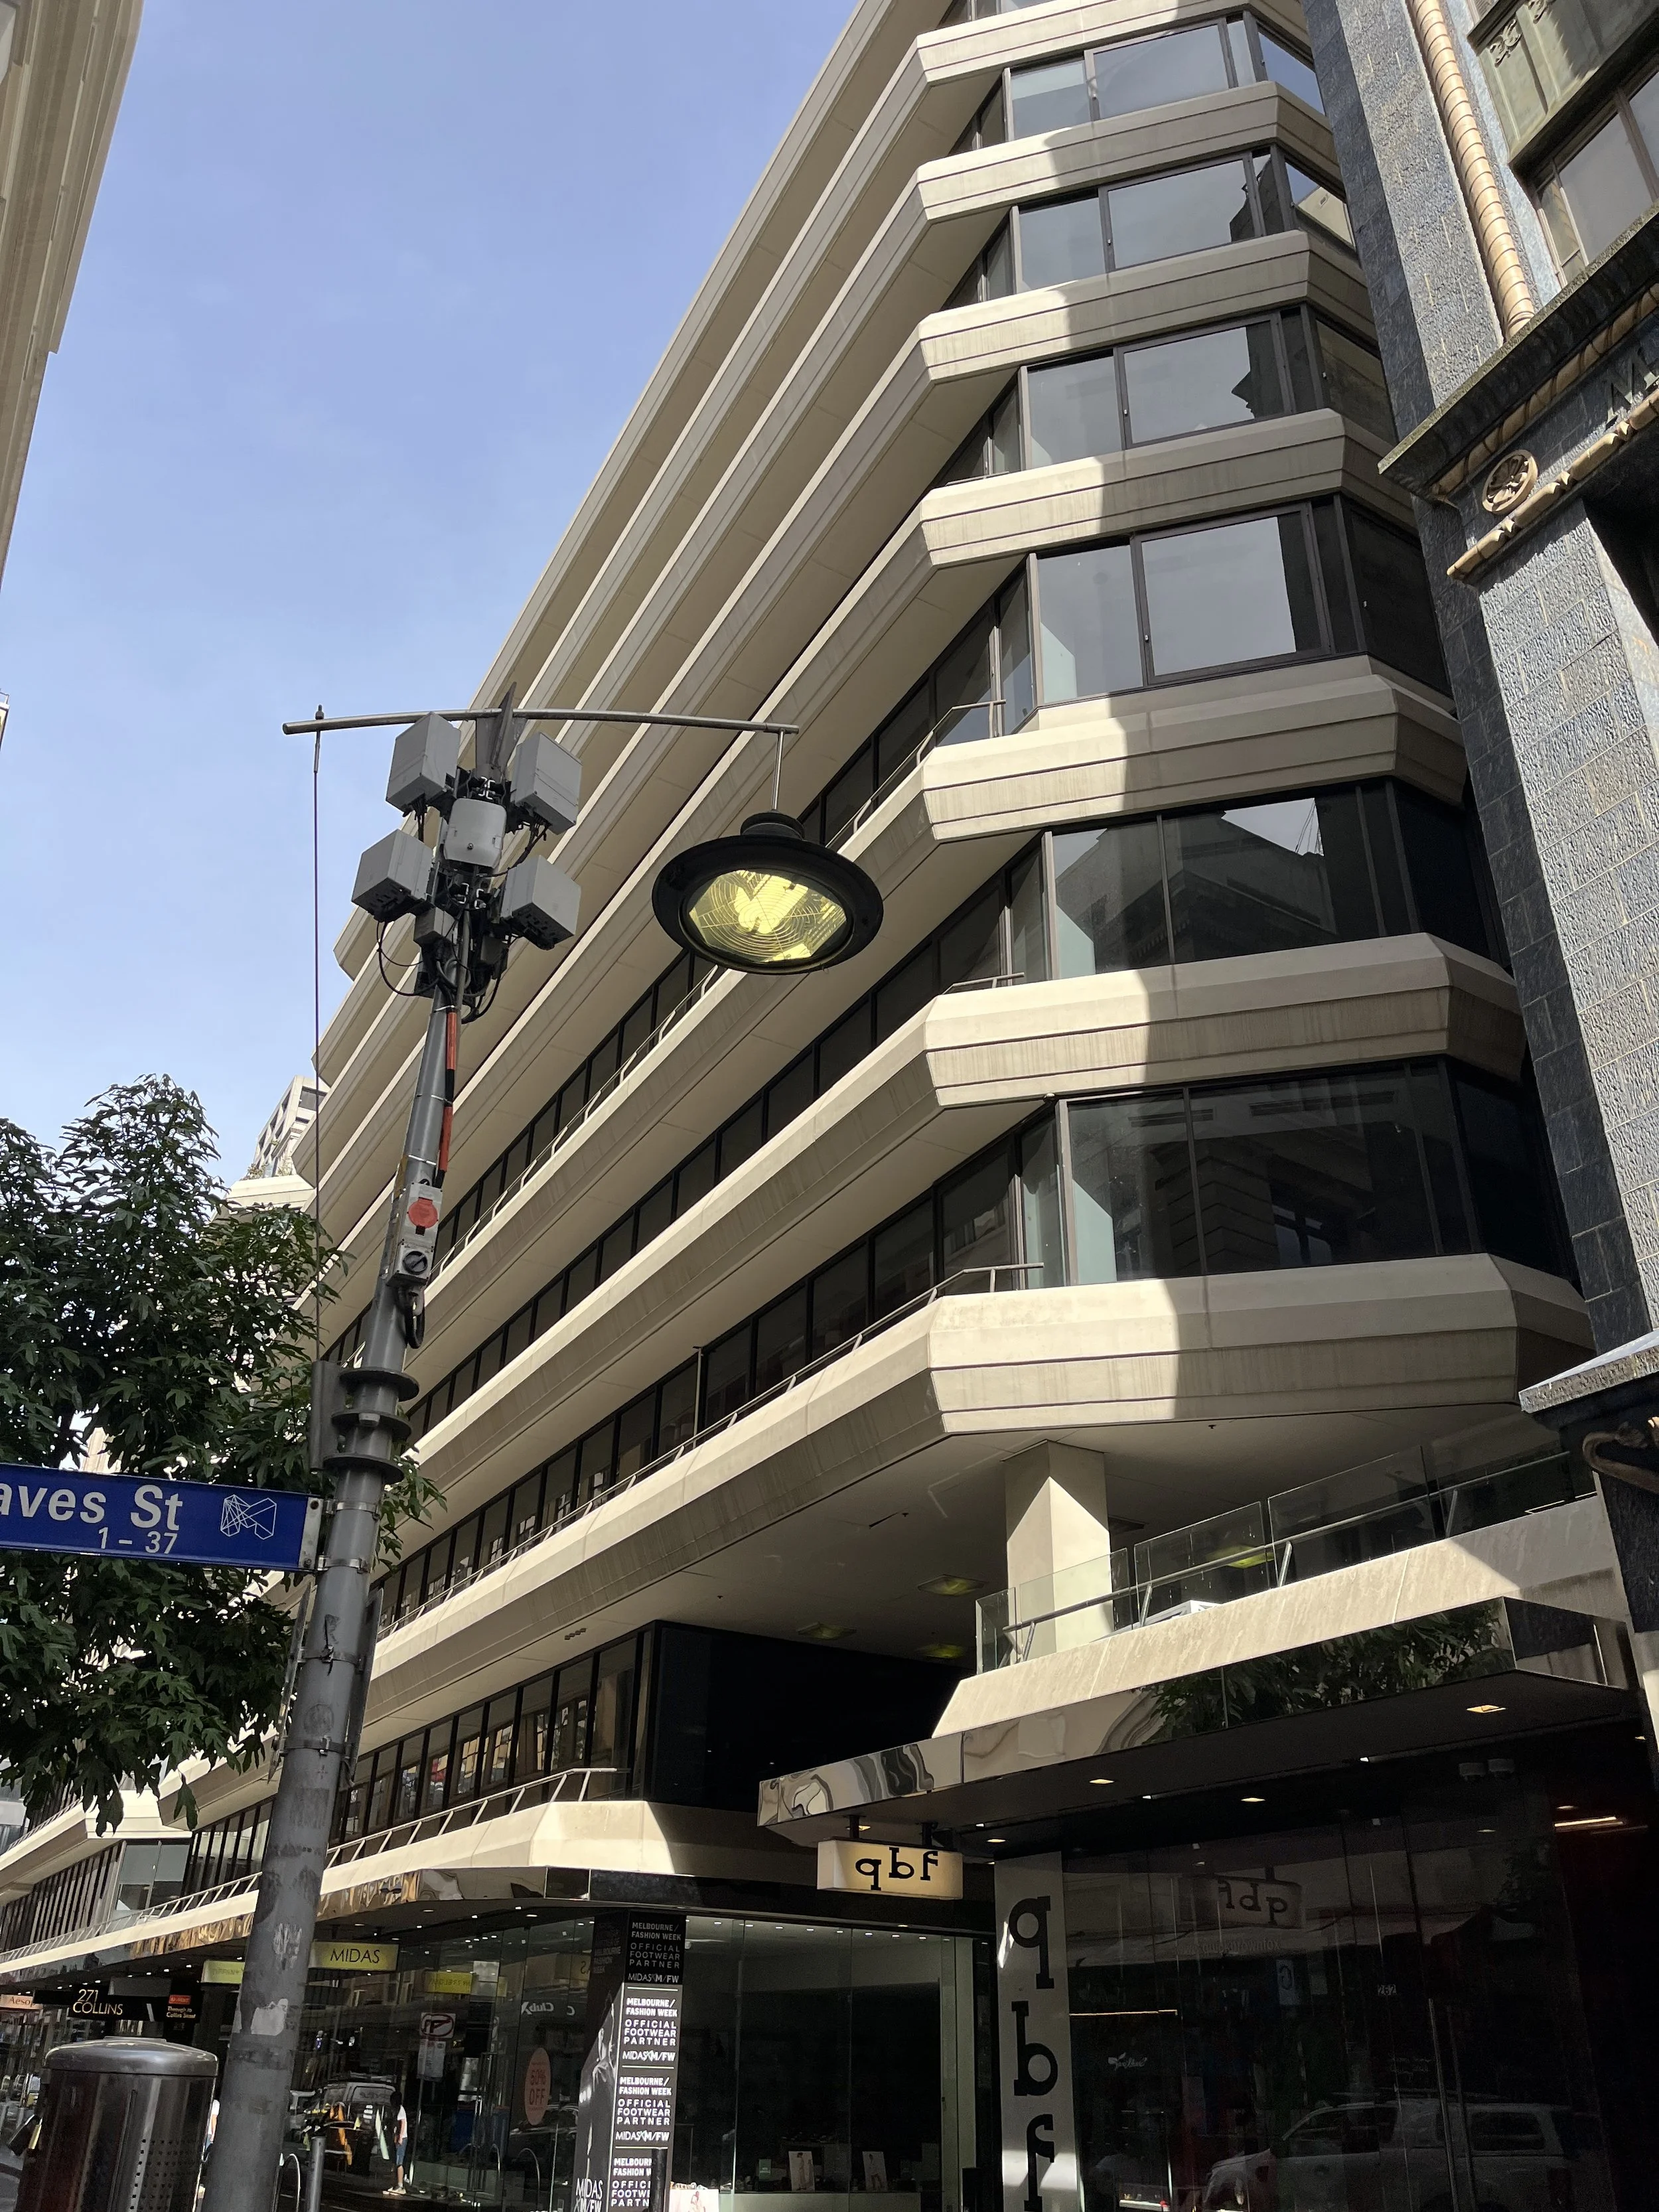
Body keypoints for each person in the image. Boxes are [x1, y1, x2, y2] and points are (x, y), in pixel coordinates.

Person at [385, 2102, 408, 2196]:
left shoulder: (400, 2109)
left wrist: (401, 2137)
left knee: (399, 2162)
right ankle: (393, 2185)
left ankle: (400, 2186)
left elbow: (403, 2122)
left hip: (401, 2138)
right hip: (396, 2137)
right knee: (394, 2162)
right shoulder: (394, 2110)